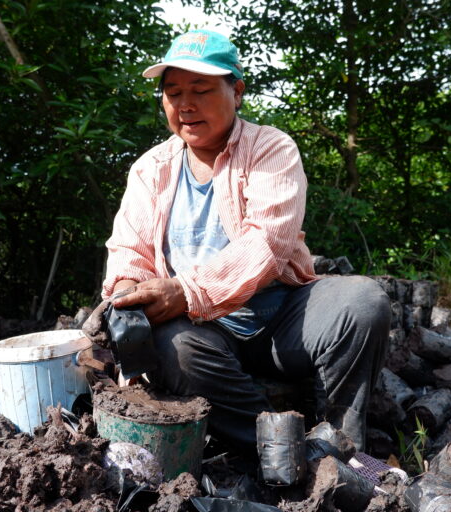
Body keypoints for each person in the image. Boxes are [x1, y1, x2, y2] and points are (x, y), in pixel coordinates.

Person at [100, 29, 390, 455]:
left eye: (201, 89)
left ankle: (342, 445)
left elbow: (268, 242)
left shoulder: (271, 148)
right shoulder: (150, 169)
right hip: (203, 331)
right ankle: (274, 449)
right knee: (173, 347)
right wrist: (128, 294)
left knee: (363, 303)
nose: (185, 105)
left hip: (278, 317)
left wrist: (187, 290)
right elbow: (129, 251)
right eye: (173, 92)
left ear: (236, 92)